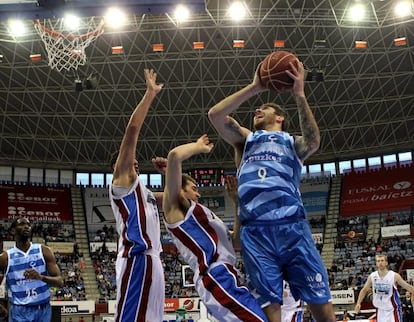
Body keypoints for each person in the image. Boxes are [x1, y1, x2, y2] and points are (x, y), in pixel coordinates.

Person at [208, 59, 336, 322]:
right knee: (270, 315)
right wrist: (255, 87)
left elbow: (313, 140)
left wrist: (299, 94)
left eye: (264, 107)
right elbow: (215, 116)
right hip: (256, 234)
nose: (257, 108)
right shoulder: (245, 140)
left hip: (292, 228)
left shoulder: (291, 143)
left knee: (323, 311)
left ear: (280, 117)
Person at [162, 134, 268, 322]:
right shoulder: (178, 211)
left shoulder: (208, 217)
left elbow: (236, 243)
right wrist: (198, 146)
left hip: (229, 273)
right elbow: (174, 156)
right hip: (215, 274)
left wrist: (236, 203)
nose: (198, 193)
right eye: (194, 188)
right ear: (181, 189)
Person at [109, 69, 166, 322]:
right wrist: (150, 94)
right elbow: (132, 130)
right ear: (118, 167)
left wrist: (169, 171)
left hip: (153, 260)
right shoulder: (122, 183)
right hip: (136, 258)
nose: (135, 163)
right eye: (130, 162)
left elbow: (174, 197)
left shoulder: (145, 193)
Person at [0, 217, 63, 322]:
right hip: (20, 311)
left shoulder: (44, 251)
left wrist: (41, 277)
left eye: (28, 225)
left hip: (43, 309)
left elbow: (60, 282)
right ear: (12, 230)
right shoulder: (5, 257)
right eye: (21, 224)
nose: (26, 227)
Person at [355, 254, 414, 322]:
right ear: (376, 263)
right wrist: (358, 303)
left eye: (382, 260)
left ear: (386, 263)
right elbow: (364, 290)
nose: (380, 263)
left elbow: (408, 287)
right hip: (380, 310)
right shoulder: (372, 276)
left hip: (393, 310)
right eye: (378, 261)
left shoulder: (394, 276)